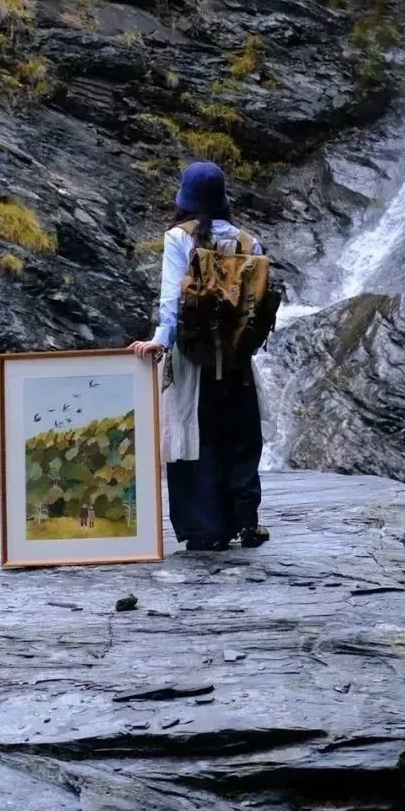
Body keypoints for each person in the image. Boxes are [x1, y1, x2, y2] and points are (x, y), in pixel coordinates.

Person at [130, 161, 271, 553]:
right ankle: (244, 520)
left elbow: (172, 297)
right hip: (238, 357)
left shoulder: (178, 238)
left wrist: (159, 339)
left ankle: (204, 528)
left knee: (195, 435)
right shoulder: (249, 242)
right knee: (239, 434)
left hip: (193, 357)